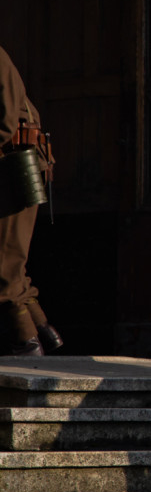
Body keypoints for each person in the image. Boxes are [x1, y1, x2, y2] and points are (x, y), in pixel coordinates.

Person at [0, 45, 62, 356]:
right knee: (14, 264)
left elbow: (7, 120)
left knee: (5, 267)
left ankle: (27, 347)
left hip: (12, 169)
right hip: (16, 167)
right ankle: (44, 332)